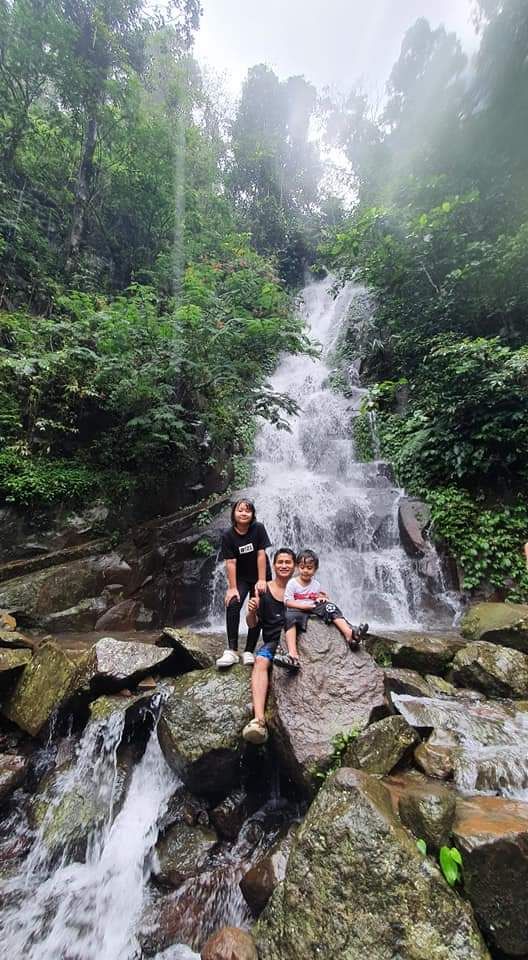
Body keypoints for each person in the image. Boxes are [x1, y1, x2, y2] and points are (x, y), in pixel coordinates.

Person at [275, 548, 368, 670]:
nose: (305, 571)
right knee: (288, 617)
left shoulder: (316, 584)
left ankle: (350, 634)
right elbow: (287, 602)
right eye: (302, 567)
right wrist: (303, 605)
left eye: (309, 568)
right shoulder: (292, 583)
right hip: (298, 610)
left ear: (315, 569)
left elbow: (316, 597)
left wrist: (321, 599)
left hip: (313, 609)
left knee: (330, 606)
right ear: (298, 567)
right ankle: (292, 655)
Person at [242, 547, 296, 744]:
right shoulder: (262, 590)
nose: (283, 566)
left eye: (288, 562)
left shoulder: (300, 588)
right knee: (260, 661)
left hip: (299, 641)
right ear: (273, 566)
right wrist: (250, 611)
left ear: (295, 566)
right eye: (280, 562)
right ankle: (259, 720)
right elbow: (252, 624)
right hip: (273, 641)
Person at [216, 498, 271, 668]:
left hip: (260, 575)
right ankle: (232, 650)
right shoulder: (228, 535)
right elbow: (230, 563)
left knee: (258, 605)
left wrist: (262, 580)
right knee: (233, 603)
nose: (244, 513)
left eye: (248, 510)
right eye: (240, 510)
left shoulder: (258, 528)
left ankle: (249, 650)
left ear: (253, 514)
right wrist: (232, 588)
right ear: (234, 513)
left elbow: (261, 554)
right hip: (240, 578)